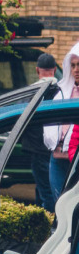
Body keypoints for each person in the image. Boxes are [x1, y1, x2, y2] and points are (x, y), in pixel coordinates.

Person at [25, 53, 58, 212]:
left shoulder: (30, 93)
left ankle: (51, 227)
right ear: (55, 69)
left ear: (37, 70)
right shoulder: (62, 91)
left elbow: (21, 120)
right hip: (58, 151)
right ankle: (40, 221)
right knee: (46, 189)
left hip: (38, 151)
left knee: (46, 193)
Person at [45, 47, 79, 204]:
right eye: (72, 65)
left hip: (76, 159)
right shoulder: (63, 92)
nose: (76, 70)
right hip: (57, 158)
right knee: (59, 204)